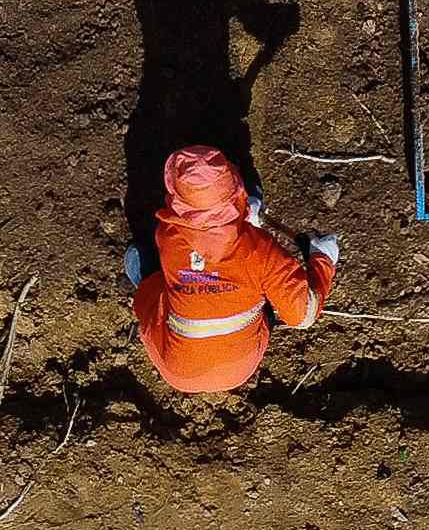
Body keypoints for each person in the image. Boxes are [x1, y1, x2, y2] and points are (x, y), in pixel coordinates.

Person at [128, 146, 334, 396]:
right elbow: (303, 316)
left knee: (136, 260)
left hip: (179, 373)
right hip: (239, 369)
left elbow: (211, 240)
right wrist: (323, 260)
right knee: (261, 290)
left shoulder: (168, 236)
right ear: (234, 186)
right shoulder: (259, 250)